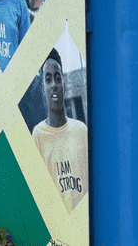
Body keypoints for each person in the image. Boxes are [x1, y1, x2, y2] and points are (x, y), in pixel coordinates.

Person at [31, 49, 88, 211]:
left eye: (58, 78)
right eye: (48, 80)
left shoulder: (81, 131)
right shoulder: (38, 135)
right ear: (43, 88)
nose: (54, 85)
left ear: (64, 84)